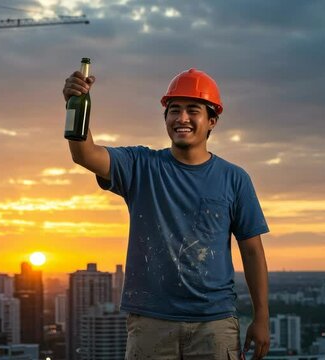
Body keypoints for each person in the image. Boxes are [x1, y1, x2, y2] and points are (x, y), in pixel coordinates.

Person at [63, 67, 271, 360]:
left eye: (193, 110)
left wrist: (262, 317)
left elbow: (252, 251)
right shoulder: (141, 166)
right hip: (151, 322)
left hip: (214, 322)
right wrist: (75, 105)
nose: (182, 118)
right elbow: (84, 154)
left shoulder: (234, 179)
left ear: (212, 121)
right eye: (174, 110)